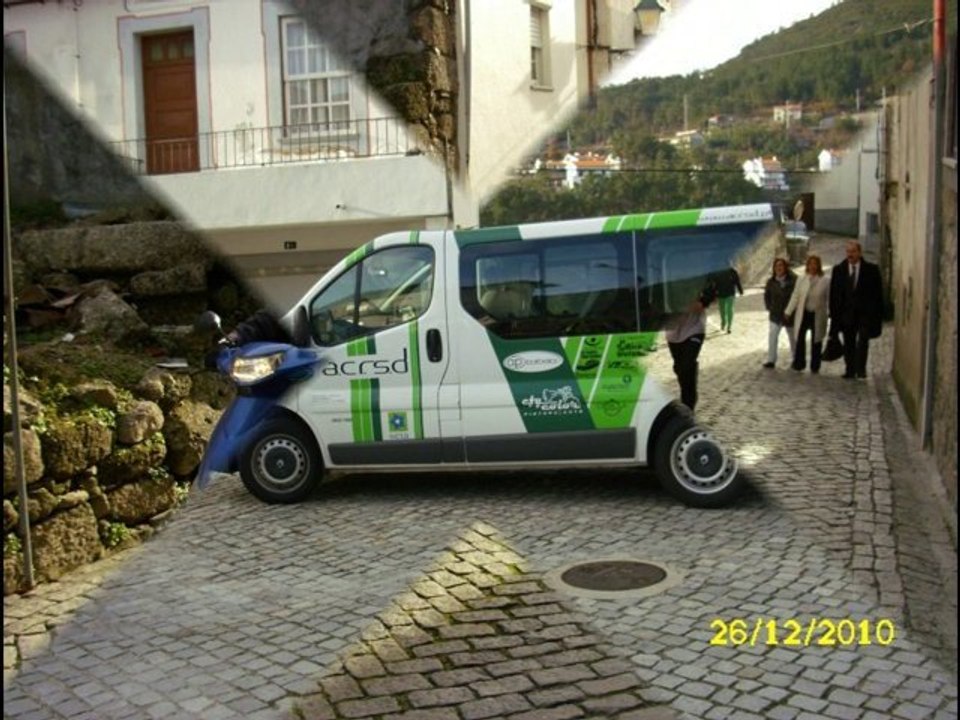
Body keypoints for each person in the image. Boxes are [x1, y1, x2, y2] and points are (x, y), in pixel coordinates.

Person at [828, 240, 884, 379]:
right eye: (848, 252)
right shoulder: (839, 270)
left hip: (865, 313)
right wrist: (834, 315)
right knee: (849, 342)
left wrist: (877, 314)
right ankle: (850, 369)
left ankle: (861, 369)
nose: (850, 255)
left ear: (859, 252)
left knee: (863, 340)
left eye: (853, 252)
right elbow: (834, 294)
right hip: (846, 314)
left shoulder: (871, 270)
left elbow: (877, 294)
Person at [665, 279, 717, 412]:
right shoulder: (665, 274)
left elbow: (712, 288)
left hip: (695, 329)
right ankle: (688, 395)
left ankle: (688, 406)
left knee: (686, 364)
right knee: (680, 368)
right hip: (673, 332)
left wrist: (703, 301)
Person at [784, 254, 829, 374]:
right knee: (800, 338)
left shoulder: (825, 280)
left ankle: (815, 365)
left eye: (815, 264)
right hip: (804, 312)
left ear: (819, 266)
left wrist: (829, 312)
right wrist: (788, 311)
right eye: (810, 264)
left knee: (817, 339)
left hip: (817, 313)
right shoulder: (802, 279)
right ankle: (799, 363)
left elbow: (829, 298)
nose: (812, 266)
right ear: (807, 265)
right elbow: (795, 295)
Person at [762, 257, 797, 368]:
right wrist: (769, 307)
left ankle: (796, 359)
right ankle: (771, 360)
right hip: (775, 314)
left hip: (790, 315)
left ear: (785, 267)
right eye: (776, 266)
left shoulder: (794, 280)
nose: (779, 268)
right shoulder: (771, 282)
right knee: (772, 336)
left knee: (793, 338)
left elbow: (797, 296)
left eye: (781, 265)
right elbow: (767, 296)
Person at [714, 264, 744, 333]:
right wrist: (714, 294)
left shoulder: (733, 272)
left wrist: (740, 291)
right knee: (722, 310)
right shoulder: (718, 271)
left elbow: (737, 281)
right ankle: (723, 322)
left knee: (729, 309)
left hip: (730, 294)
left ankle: (729, 326)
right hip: (721, 294)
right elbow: (715, 283)